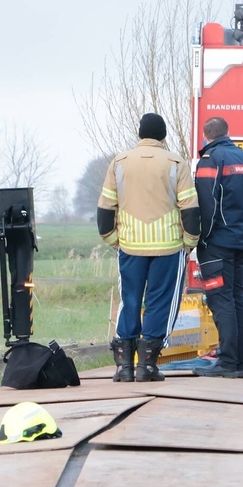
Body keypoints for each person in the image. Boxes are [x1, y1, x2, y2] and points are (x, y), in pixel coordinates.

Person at [97, 112, 200, 382]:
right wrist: (189, 242)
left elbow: (106, 207)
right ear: (163, 136)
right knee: (160, 303)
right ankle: (148, 367)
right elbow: (189, 208)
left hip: (130, 246)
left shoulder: (119, 163)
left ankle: (123, 367)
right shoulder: (176, 163)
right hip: (168, 247)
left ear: (139, 134)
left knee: (129, 300)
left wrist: (112, 239)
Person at [192, 117, 243, 378]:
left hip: (216, 242)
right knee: (238, 299)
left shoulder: (210, 160)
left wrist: (202, 238)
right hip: (240, 239)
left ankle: (227, 361)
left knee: (221, 301)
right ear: (228, 132)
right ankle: (242, 362)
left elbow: (208, 205)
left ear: (205, 135)